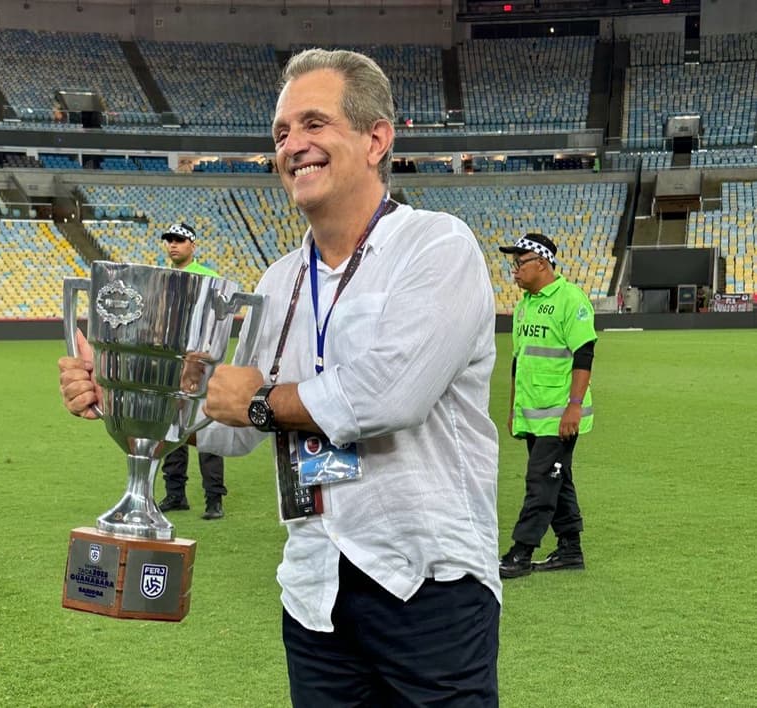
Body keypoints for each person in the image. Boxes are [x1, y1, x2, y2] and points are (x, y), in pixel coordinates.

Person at [60, 49, 501, 706]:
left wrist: (261, 400)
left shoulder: (437, 246)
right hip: (315, 591)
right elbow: (227, 432)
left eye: (314, 124)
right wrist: (131, 387)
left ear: (376, 138)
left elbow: (390, 396)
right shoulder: (279, 282)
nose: (294, 146)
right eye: (282, 133)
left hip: (427, 585)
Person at [497, 233, 597, 579]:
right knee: (558, 479)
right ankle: (570, 549)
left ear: (542, 262)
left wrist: (573, 406)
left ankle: (521, 553)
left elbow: (585, 354)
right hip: (534, 414)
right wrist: (513, 410)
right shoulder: (524, 306)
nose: (514, 270)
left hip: (560, 416)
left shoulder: (571, 300)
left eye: (519, 262)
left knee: (541, 480)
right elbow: (518, 361)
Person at [158, 221, 227, 520]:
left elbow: (219, 322)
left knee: (204, 425)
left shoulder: (210, 278)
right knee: (171, 427)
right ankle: (176, 494)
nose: (173, 244)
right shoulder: (160, 278)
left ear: (192, 245)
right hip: (169, 361)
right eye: (169, 240)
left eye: (180, 240)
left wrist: (206, 357)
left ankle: (214, 498)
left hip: (198, 362)